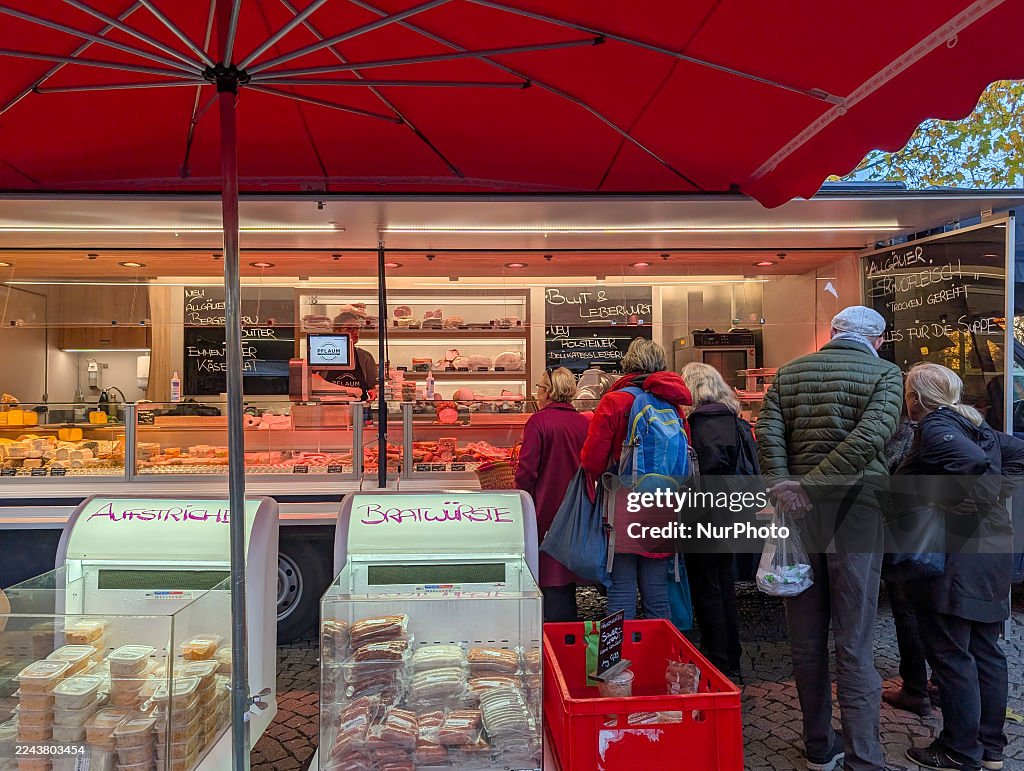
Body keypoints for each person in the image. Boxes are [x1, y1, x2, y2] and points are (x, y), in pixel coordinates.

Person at [757, 305, 903, 771]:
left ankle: (819, 745)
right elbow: (868, 441)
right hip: (857, 513)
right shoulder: (886, 374)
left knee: (804, 636)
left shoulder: (789, 373)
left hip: (798, 516)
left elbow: (768, 434)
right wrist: (809, 485)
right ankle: (865, 755)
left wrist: (787, 487)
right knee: (855, 637)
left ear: (834, 333)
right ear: (876, 340)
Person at [896, 363, 1024, 771]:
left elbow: (967, 463)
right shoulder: (977, 425)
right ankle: (990, 749)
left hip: (956, 557)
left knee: (952, 654)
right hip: (991, 553)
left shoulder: (936, 426)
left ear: (916, 397)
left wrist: (955, 506)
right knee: (986, 651)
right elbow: (1015, 457)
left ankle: (958, 750)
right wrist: (994, 495)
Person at [581, 338, 691, 620]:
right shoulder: (673, 404)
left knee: (621, 586)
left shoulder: (615, 401)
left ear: (628, 363)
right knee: (656, 588)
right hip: (664, 502)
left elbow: (592, 461)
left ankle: (618, 658)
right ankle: (662, 656)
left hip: (624, 502)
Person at [681, 361, 757, 681]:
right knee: (725, 584)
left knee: (705, 586)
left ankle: (717, 662)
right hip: (734, 510)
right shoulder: (737, 423)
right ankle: (733, 658)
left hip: (699, 511)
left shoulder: (689, 425)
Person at [515, 367, 590, 622]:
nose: (537, 392)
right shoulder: (584, 422)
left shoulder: (539, 422)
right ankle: (569, 629)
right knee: (567, 568)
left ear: (548, 391)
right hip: (577, 505)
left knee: (550, 571)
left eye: (539, 387)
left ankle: (554, 634)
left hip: (546, 506)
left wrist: (522, 501)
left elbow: (526, 472)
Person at [880, 410, 934, 718]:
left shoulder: (903, 434)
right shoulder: (959, 428)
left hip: (907, 534)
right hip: (941, 531)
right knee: (936, 606)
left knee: (907, 609)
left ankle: (915, 689)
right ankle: (938, 682)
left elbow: (883, 482)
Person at [315, 307, 378, 400]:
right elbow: (313, 383)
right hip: (330, 408)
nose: (355, 332)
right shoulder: (324, 354)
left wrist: (375, 391)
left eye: (357, 328)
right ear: (336, 331)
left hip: (359, 410)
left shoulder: (365, 357)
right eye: (349, 328)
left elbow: (373, 385)